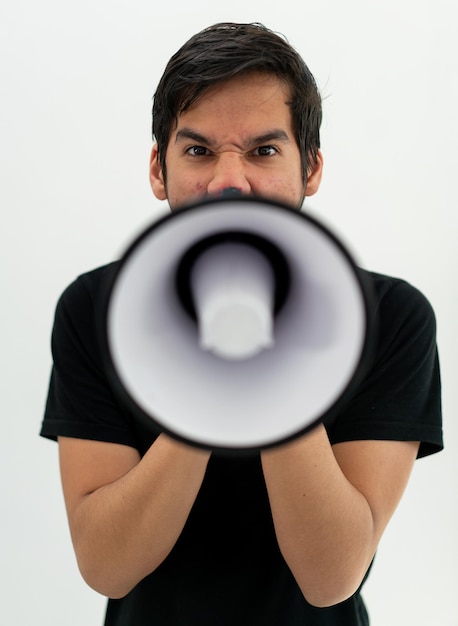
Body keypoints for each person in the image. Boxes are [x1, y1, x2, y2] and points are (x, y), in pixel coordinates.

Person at [40, 22, 443, 626]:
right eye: (199, 150)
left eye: (263, 151)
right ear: (159, 169)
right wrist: (211, 371)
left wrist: (270, 356)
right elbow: (105, 564)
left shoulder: (393, 318)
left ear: (310, 170)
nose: (229, 182)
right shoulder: (93, 307)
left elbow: (331, 577)